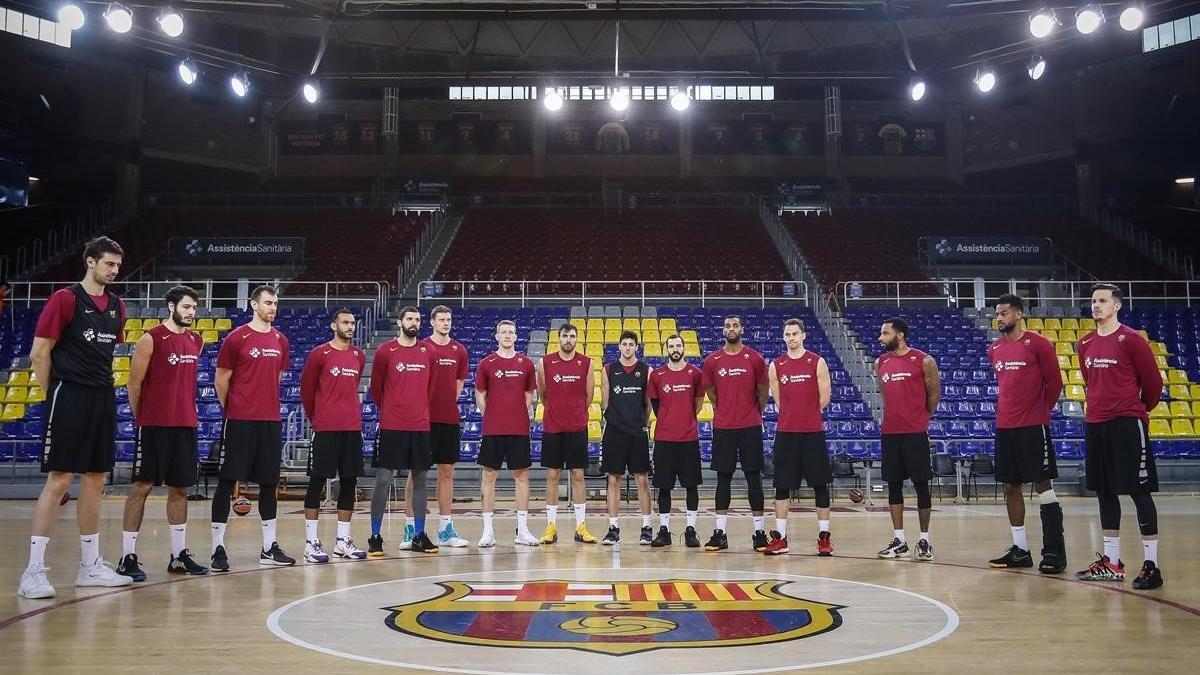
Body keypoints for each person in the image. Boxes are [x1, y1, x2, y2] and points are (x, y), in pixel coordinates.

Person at [19, 237, 132, 599]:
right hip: (68, 393)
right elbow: (39, 353)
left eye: (117, 265)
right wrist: (53, 391)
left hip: (102, 395)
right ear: (89, 262)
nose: (114, 271)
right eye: (108, 264)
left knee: (97, 479)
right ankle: (33, 571)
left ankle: (90, 566)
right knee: (60, 478)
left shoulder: (118, 306)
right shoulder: (65, 300)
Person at [116, 285, 209, 581]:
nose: (191, 313)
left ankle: (178, 556)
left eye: (194, 308)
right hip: (154, 425)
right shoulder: (150, 338)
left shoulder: (197, 340)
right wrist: (141, 418)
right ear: (171, 306)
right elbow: (134, 384)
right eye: (186, 307)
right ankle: (127, 557)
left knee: (180, 489)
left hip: (185, 424)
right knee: (142, 487)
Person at [1075, 284, 1165, 589]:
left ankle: (1151, 565)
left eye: (1102, 301)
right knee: (1104, 490)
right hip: (1096, 423)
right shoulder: (1084, 343)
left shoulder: (1132, 340)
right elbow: (1090, 383)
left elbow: (1153, 383)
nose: (1096, 306)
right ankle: (1112, 563)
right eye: (1093, 301)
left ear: (1116, 306)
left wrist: (1138, 409)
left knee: (1139, 491)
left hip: (1127, 422)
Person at [209, 285, 293, 571]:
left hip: (269, 421)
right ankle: (217, 548)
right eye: (268, 302)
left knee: (269, 483)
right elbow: (221, 380)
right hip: (240, 420)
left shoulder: (281, 340)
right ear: (253, 305)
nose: (273, 307)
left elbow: (277, 378)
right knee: (226, 481)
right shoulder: (236, 338)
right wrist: (233, 409)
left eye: (276, 303)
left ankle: (269, 547)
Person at [987, 294, 1067, 573]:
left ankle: (1054, 552)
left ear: (1019, 314)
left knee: (1043, 485)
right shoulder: (995, 348)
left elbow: (1055, 383)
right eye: (997, 314)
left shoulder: (1039, 344)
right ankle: (1020, 550)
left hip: (1033, 426)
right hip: (1005, 426)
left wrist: (1041, 412)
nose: (999, 318)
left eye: (1004, 313)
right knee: (1011, 487)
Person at [298, 309, 368, 563]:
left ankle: (343, 541)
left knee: (349, 483)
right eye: (345, 322)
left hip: (351, 428)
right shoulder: (320, 354)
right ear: (333, 325)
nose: (350, 327)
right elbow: (306, 390)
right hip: (325, 428)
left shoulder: (358, 355)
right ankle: (311, 543)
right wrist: (317, 419)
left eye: (352, 323)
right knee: (316, 482)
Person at [368, 307, 438, 555]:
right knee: (384, 479)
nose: (414, 322)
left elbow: (430, 388)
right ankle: (375, 536)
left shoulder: (428, 351)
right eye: (409, 318)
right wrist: (393, 409)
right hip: (392, 426)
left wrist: (417, 409)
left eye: (418, 319)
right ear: (400, 322)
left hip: (419, 426)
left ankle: (419, 535)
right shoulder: (386, 351)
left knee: (420, 479)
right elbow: (376, 389)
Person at [765, 319, 833, 556]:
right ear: (783, 337)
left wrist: (806, 414)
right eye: (787, 334)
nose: (791, 338)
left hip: (813, 432)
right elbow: (779, 399)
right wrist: (793, 415)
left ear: (803, 335)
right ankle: (781, 538)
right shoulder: (776, 365)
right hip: (786, 432)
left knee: (820, 485)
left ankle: (824, 537)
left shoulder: (817, 362)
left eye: (795, 333)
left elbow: (824, 397)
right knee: (782, 486)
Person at [701, 315, 769, 552]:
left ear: (742, 329)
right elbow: (710, 390)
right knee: (723, 478)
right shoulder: (712, 360)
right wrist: (727, 409)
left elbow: (763, 390)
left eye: (735, 325)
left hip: (750, 426)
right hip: (723, 426)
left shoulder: (755, 358)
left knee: (754, 478)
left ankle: (759, 533)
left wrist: (754, 413)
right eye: (728, 326)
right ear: (723, 331)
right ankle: (720, 533)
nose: (731, 329)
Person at [875, 317, 940, 562]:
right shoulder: (881, 362)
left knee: (921, 485)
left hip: (915, 432)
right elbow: (887, 395)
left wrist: (920, 418)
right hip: (890, 432)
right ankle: (899, 540)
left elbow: (933, 396)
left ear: (899, 335)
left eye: (885, 333)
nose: (880, 338)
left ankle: (924, 540)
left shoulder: (924, 360)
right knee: (894, 485)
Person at [475, 320, 539, 547]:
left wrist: (517, 414)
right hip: (493, 429)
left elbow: (529, 394)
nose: (507, 335)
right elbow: (480, 394)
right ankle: (488, 531)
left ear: (516, 336)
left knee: (521, 477)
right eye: (503, 332)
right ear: (496, 336)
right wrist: (491, 415)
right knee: (489, 477)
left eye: (511, 332)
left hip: (518, 429)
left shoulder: (526, 363)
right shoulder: (486, 363)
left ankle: (522, 530)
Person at [536, 323, 598, 544]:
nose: (568, 340)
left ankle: (581, 526)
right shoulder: (545, 362)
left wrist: (575, 413)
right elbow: (543, 394)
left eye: (572, 336)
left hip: (577, 427)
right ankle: (551, 526)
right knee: (552, 476)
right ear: (558, 338)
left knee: (578, 476)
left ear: (576, 339)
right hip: (553, 427)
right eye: (565, 336)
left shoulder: (587, 363)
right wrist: (557, 410)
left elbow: (588, 396)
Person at [419, 305, 471, 548]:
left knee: (446, 471)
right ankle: (413, 529)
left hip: (448, 417)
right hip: (421, 417)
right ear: (432, 322)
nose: (445, 323)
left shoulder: (459, 350)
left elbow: (459, 381)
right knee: (416, 473)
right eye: (441, 319)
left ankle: (445, 528)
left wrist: (447, 401)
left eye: (448, 320)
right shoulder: (421, 347)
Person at [647, 334, 704, 548]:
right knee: (664, 487)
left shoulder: (695, 374)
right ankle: (664, 530)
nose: (675, 349)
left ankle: (690, 530)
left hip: (688, 438)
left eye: (678, 345)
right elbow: (655, 405)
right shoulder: (658, 375)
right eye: (671, 346)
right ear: (666, 349)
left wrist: (685, 419)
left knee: (691, 486)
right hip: (664, 438)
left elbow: (698, 403)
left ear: (684, 348)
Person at [599, 331, 654, 546]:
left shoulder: (646, 370)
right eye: (625, 344)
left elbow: (648, 404)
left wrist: (639, 422)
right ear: (619, 347)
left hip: (637, 432)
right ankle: (613, 528)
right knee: (613, 479)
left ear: (636, 347)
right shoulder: (608, 370)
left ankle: (647, 526)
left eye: (632, 344)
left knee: (642, 479)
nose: (628, 347)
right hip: (614, 432)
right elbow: (605, 403)